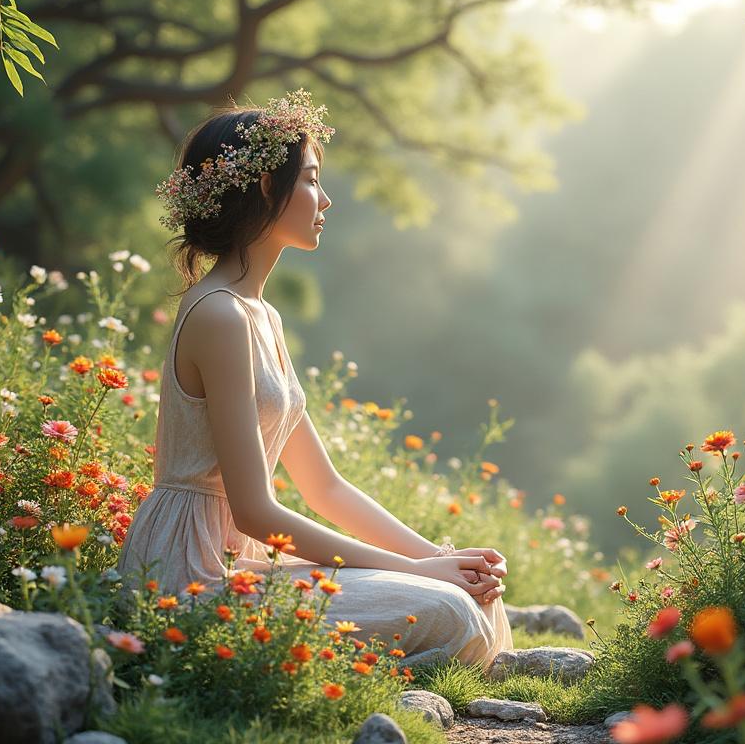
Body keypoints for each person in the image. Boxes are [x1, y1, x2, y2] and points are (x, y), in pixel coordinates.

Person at [117, 89, 513, 669]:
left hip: (243, 564)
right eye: (309, 180)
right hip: (191, 575)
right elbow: (255, 512)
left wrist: (440, 557)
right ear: (265, 188)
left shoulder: (262, 317)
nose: (324, 199)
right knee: (447, 610)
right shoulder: (219, 315)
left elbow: (326, 488)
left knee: (469, 596)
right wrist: (417, 571)